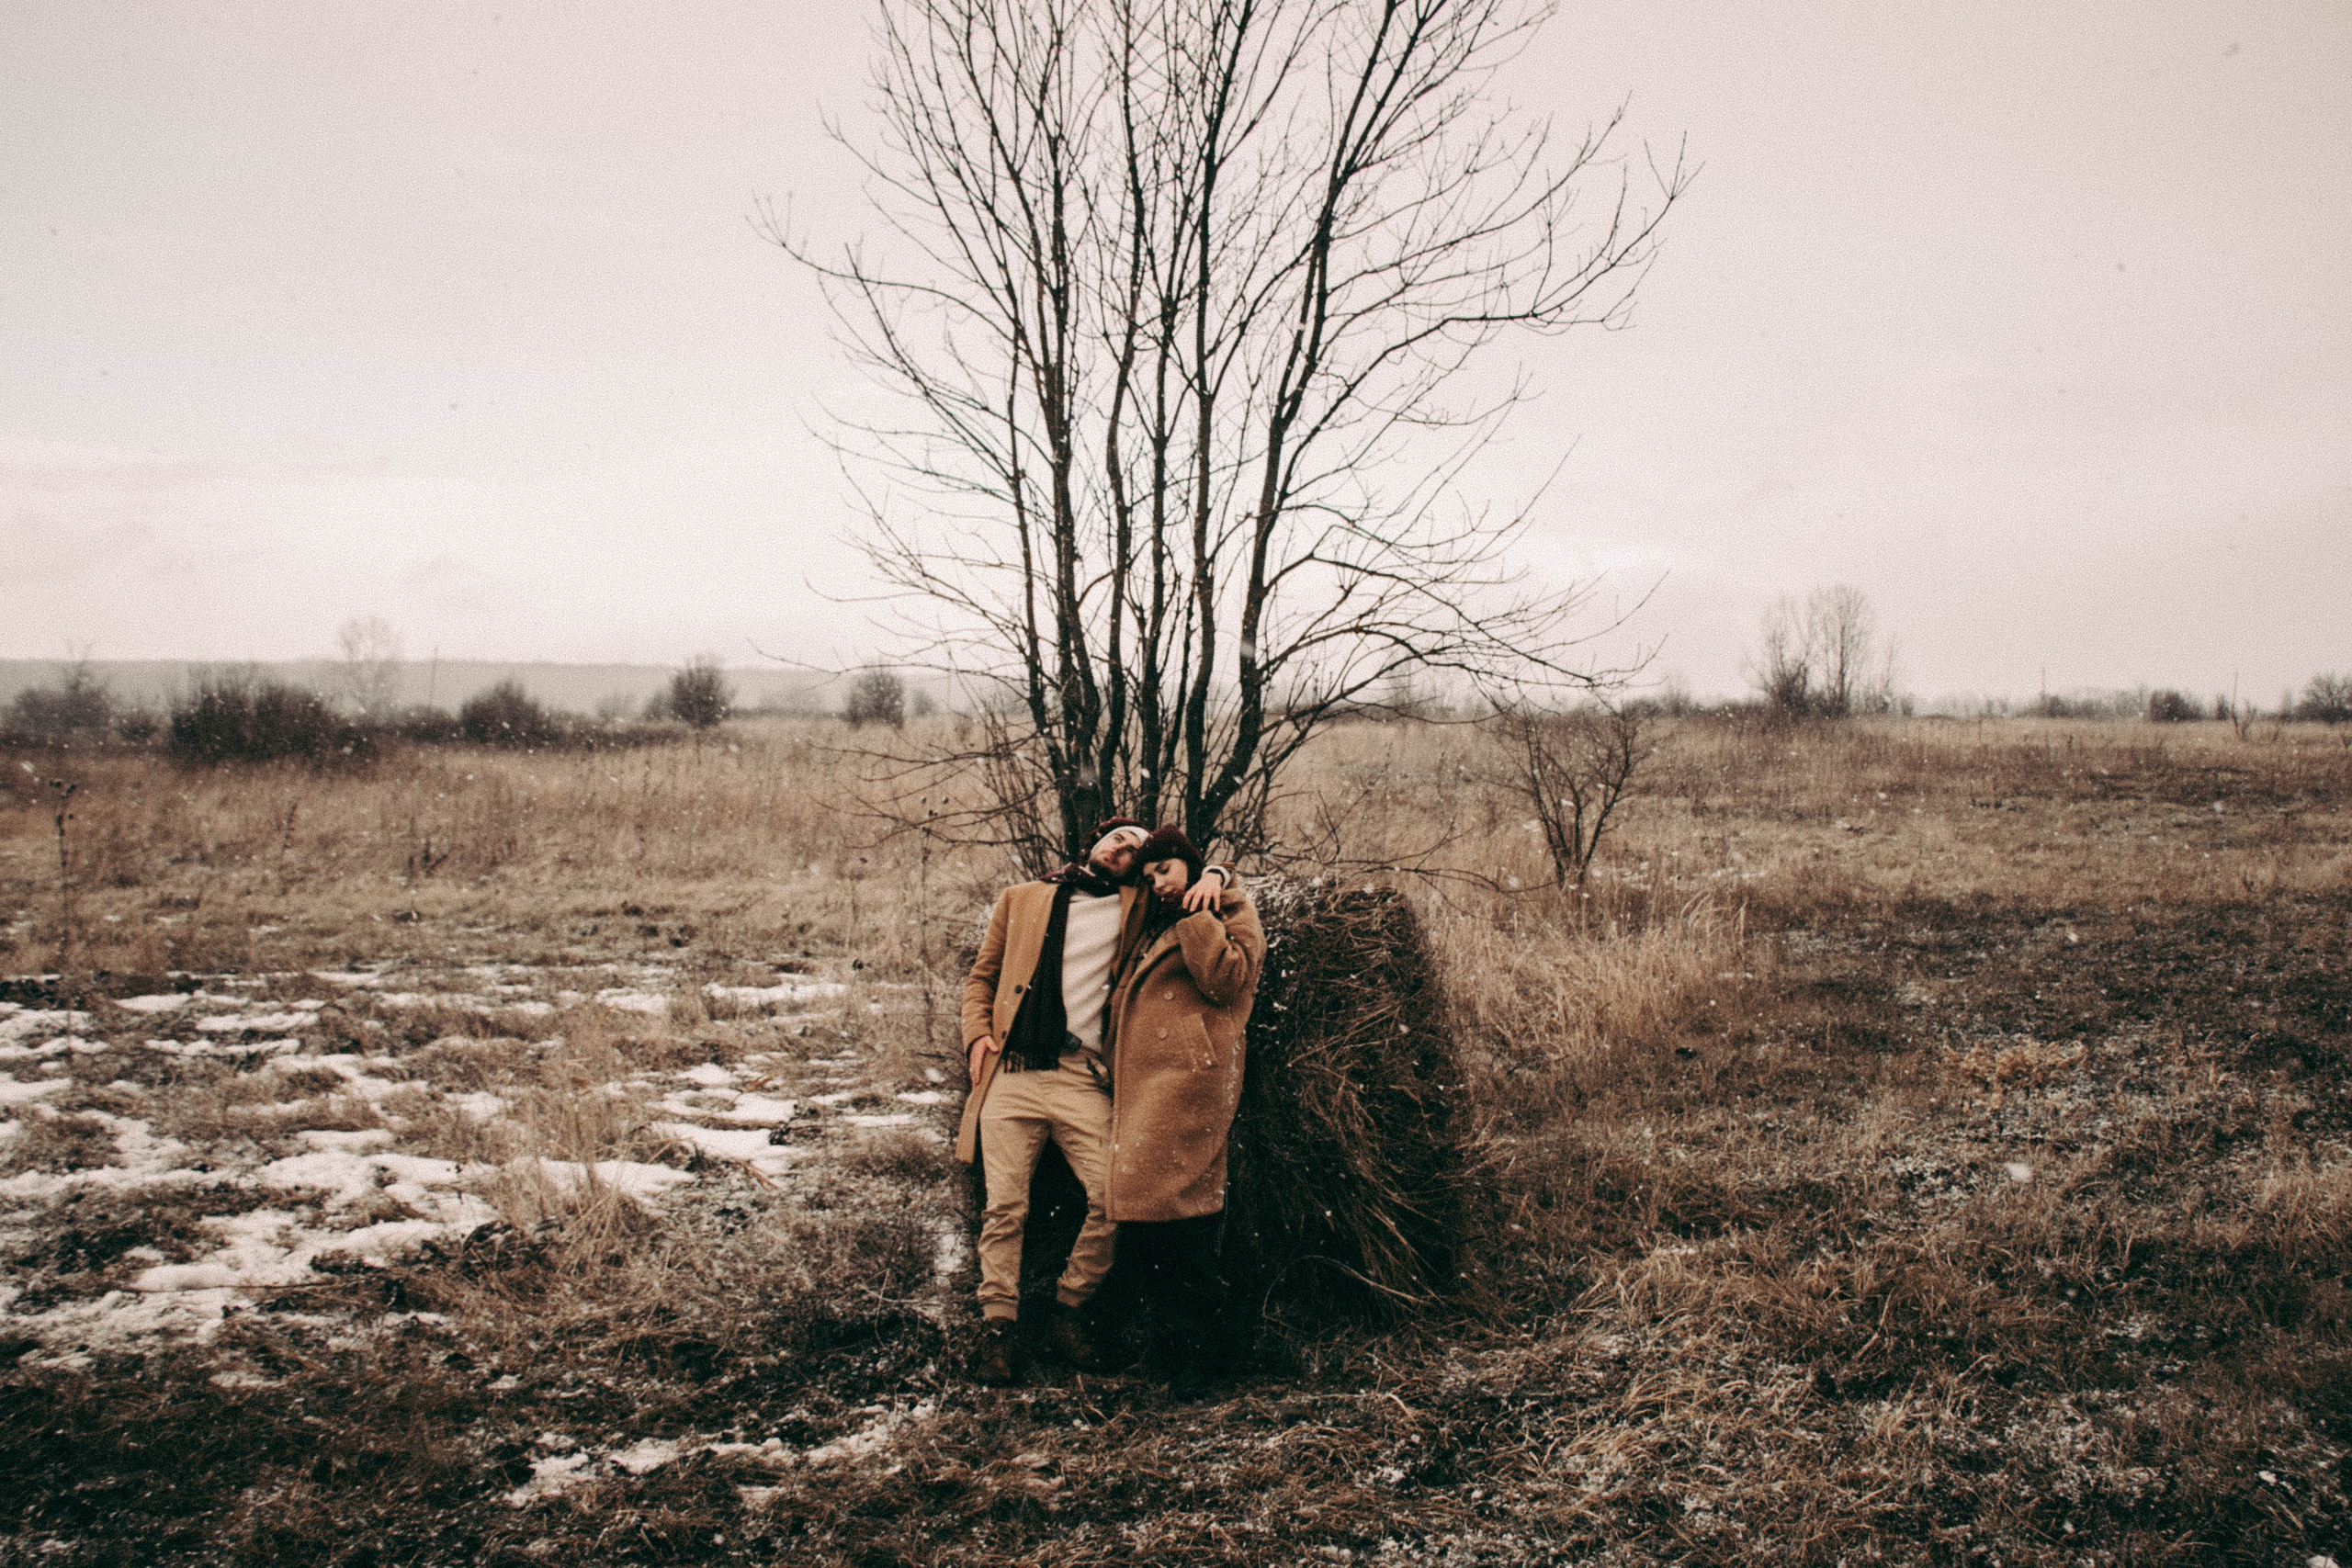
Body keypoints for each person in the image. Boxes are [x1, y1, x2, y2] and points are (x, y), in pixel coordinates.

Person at [954, 818, 1231, 1386]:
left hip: (1082, 1077)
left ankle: (1068, 1310)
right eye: (1116, 837)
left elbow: (1190, 879)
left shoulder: (1140, 907)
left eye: (1135, 846)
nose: (1122, 847)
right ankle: (999, 1328)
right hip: (1013, 1072)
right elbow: (982, 977)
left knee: (1114, 1197)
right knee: (1004, 1208)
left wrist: (1218, 874)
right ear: (1095, 842)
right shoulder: (1022, 898)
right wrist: (976, 1034)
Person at [1102, 824, 1264, 1396]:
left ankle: (1209, 1353)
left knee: (1182, 1219)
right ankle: (1184, 1349)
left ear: (1190, 864)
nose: (1159, 884)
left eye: (1166, 870)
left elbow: (1227, 980)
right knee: (1154, 1221)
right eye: (1149, 878)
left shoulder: (1231, 908)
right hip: (1147, 1083)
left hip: (1189, 1081)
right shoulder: (1153, 919)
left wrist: (1205, 904)